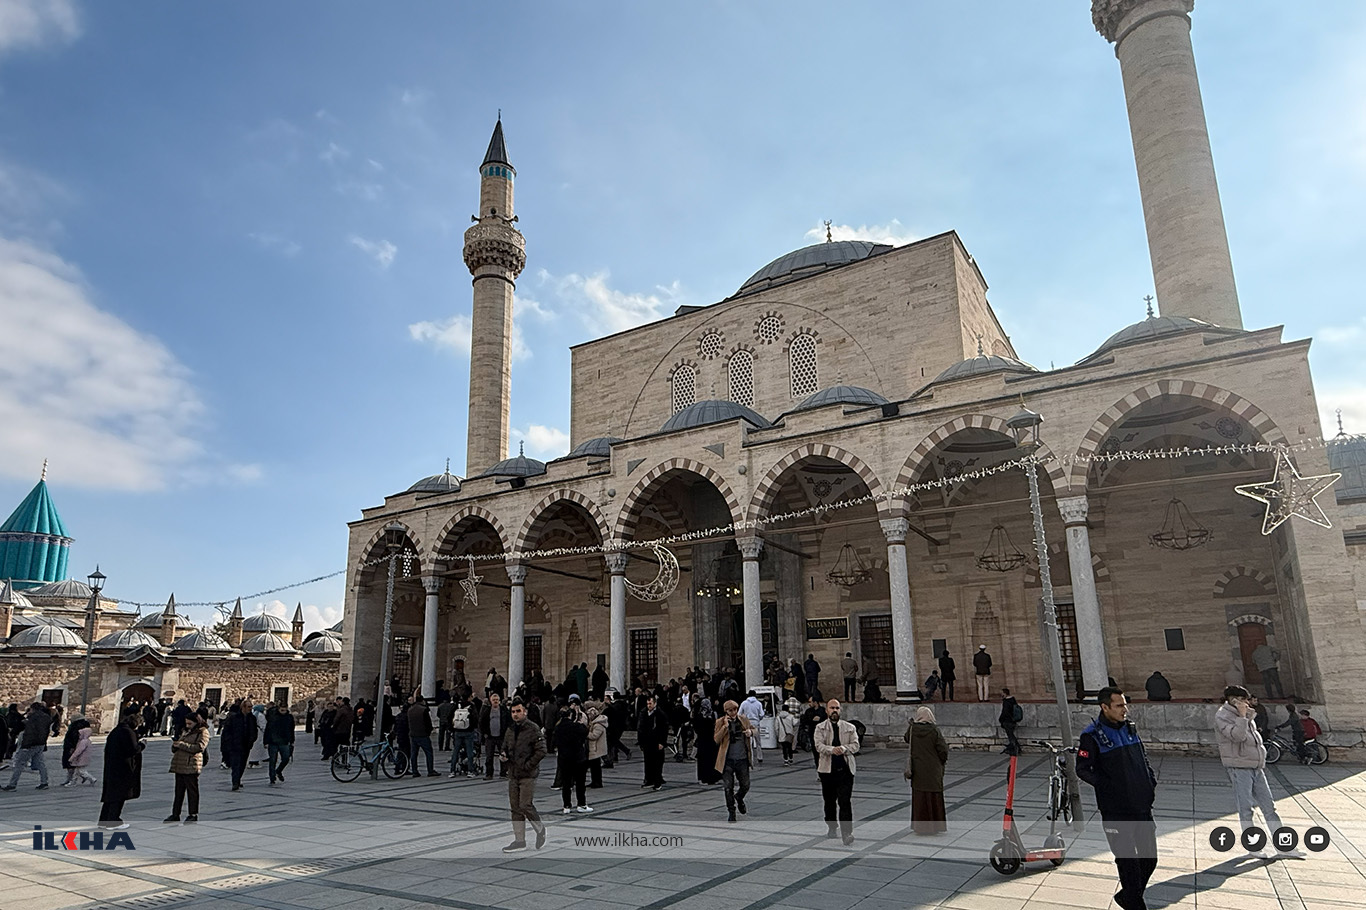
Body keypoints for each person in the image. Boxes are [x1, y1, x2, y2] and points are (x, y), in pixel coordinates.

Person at [1077, 687, 1158, 910]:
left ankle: (1128, 896)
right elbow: (1082, 769)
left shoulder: (1130, 728)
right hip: (1116, 809)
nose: (1125, 710)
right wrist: (1108, 786)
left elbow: (1143, 757)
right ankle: (1134, 903)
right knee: (1127, 861)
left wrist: (1150, 780)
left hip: (1141, 804)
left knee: (1149, 859)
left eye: (1125, 704)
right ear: (1105, 707)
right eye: (1119, 706)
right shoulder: (1091, 735)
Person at [1214, 686, 1303, 857]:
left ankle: (1283, 846)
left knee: (1269, 807)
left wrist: (1246, 716)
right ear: (1234, 700)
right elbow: (1237, 736)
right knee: (1246, 808)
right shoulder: (1222, 716)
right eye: (1244, 700)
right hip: (1239, 766)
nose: (1248, 703)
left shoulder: (1248, 715)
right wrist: (1241, 716)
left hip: (1255, 765)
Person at [500, 698, 547, 852]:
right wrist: (503, 755)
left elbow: (541, 750)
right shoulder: (510, 729)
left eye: (518, 711)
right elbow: (505, 747)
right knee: (515, 808)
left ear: (524, 712)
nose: (515, 714)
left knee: (525, 805)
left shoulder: (533, 729)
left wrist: (528, 765)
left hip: (527, 774)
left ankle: (540, 828)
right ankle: (519, 840)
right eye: (513, 712)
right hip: (513, 773)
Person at [814, 699, 860, 845]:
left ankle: (847, 832)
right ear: (827, 710)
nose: (835, 710)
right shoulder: (820, 728)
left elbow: (856, 745)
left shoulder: (849, 727)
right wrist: (831, 750)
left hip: (845, 770)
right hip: (827, 770)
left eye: (837, 708)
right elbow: (818, 745)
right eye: (832, 708)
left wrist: (844, 749)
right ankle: (832, 826)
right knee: (829, 801)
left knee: (845, 801)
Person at [904, 705, 949, 835]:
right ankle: (935, 827)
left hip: (918, 769)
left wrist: (911, 724)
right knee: (934, 796)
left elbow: (906, 739)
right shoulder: (934, 730)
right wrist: (942, 761)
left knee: (920, 798)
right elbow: (942, 749)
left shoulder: (913, 729)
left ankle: (921, 827)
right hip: (933, 769)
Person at [100, 707, 145, 829]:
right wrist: (142, 744)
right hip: (122, 768)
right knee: (118, 795)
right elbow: (132, 749)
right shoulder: (127, 732)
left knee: (110, 795)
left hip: (112, 766)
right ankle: (113, 820)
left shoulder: (117, 730)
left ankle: (104, 820)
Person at [165, 708, 209, 824]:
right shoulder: (185, 731)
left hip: (191, 764)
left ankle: (193, 814)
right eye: (187, 723)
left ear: (196, 722)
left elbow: (200, 747)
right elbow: (179, 744)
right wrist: (175, 745)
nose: (188, 725)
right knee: (178, 791)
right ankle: (175, 814)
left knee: (192, 791)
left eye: (190, 723)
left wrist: (182, 744)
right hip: (180, 764)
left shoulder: (202, 732)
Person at [714, 700, 754, 823]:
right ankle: (731, 811)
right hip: (727, 760)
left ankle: (739, 797)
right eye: (730, 710)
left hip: (742, 758)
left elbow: (754, 729)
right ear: (726, 711)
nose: (733, 713)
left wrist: (750, 732)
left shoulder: (743, 719)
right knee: (728, 787)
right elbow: (716, 739)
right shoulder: (720, 722)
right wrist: (725, 727)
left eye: (735, 710)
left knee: (745, 785)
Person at [2, 702, 51, 791]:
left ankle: (12, 784)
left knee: (19, 763)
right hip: (41, 743)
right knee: (40, 763)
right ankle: (44, 782)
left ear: (32, 709)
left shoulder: (32, 718)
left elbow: (30, 733)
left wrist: (25, 745)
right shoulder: (46, 717)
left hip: (30, 744)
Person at [555, 699, 592, 814]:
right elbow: (585, 731)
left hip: (564, 758)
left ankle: (566, 805)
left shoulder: (558, 727)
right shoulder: (575, 726)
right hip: (577, 758)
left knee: (566, 783)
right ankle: (581, 804)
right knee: (580, 783)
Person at [222, 700, 257, 791]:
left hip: (246, 745)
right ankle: (235, 782)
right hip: (235, 744)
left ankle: (238, 779)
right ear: (243, 707)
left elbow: (254, 730)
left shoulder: (252, 718)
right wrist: (229, 742)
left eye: (251, 707)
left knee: (242, 764)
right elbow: (227, 731)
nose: (250, 709)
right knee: (236, 764)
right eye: (249, 707)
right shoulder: (234, 718)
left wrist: (252, 740)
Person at [638, 694, 669, 790]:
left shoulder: (660, 714)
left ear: (655, 703)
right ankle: (649, 780)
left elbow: (664, 729)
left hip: (656, 741)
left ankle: (657, 782)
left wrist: (662, 742)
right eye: (647, 704)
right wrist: (641, 742)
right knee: (648, 762)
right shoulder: (644, 713)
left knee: (657, 763)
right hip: (647, 741)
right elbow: (641, 728)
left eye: (650, 703)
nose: (649, 705)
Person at [480, 692, 512, 779]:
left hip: (501, 736)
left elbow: (509, 721)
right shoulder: (487, 710)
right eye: (494, 700)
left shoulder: (503, 710)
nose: (495, 701)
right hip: (490, 737)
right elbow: (482, 722)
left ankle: (503, 772)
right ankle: (489, 773)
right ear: (491, 701)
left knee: (503, 755)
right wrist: (485, 733)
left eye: (497, 700)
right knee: (489, 756)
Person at [693, 695, 722, 785]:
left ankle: (708, 778)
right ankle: (708, 778)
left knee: (707, 760)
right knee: (708, 759)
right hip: (708, 740)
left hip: (706, 740)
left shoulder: (703, 715)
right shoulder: (710, 715)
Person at [264, 703, 295, 786]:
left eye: (285, 710)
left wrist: (292, 740)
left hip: (284, 741)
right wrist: (266, 741)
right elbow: (268, 729)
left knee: (286, 758)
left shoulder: (289, 717)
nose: (283, 711)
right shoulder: (273, 717)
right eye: (282, 710)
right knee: (272, 760)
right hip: (273, 742)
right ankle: (272, 777)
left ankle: (278, 771)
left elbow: (291, 729)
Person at [449, 694, 479, 778]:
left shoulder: (457, 705)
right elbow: (475, 718)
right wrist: (473, 728)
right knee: (469, 751)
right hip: (468, 732)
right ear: (469, 697)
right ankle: (470, 770)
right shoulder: (471, 706)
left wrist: (452, 729)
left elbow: (450, 717)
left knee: (456, 751)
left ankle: (452, 771)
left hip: (457, 732)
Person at [407, 695, 437, 777]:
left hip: (413, 734)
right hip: (423, 734)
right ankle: (430, 770)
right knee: (428, 752)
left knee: (414, 753)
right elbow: (428, 723)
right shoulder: (423, 710)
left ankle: (414, 771)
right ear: (422, 701)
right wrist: (428, 731)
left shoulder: (410, 710)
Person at [65, 720, 96, 786]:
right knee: (76, 772)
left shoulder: (83, 742)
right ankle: (73, 782)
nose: (79, 735)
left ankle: (92, 779)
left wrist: (71, 758)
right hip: (84, 758)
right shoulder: (87, 741)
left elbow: (78, 751)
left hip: (81, 759)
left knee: (81, 771)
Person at [605, 691, 632, 765]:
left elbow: (614, 712)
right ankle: (615, 756)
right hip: (621, 725)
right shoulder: (623, 704)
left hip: (616, 726)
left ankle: (625, 751)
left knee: (614, 741)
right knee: (614, 741)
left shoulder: (617, 705)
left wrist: (609, 705)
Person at [738, 691, 765, 764]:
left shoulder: (744, 703)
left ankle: (751, 758)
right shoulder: (758, 703)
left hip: (747, 723)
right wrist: (758, 719)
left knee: (749, 741)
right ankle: (760, 757)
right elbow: (762, 714)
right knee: (758, 741)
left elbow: (739, 714)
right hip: (756, 722)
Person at [775, 698, 798, 766]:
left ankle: (785, 760)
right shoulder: (791, 716)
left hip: (782, 734)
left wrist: (777, 734)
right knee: (789, 747)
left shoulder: (778, 717)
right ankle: (791, 758)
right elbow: (795, 723)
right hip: (789, 734)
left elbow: (776, 727)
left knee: (784, 748)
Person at [999, 687, 1022, 755]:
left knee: (1010, 736)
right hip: (1013, 720)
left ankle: (1015, 748)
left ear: (1005, 694)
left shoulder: (1006, 702)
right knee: (1011, 735)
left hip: (1007, 721)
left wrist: (1001, 719)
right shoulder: (1013, 700)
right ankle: (1016, 747)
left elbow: (1005, 712)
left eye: (1002, 693)